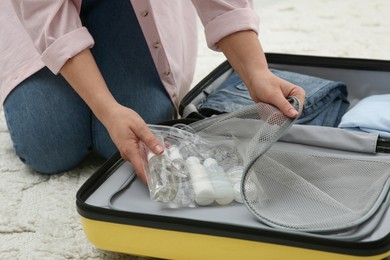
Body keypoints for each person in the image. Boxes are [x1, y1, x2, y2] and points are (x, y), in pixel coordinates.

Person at [2, 0, 305, 181]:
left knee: (127, 143)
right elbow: (44, 11)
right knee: (51, 148)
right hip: (36, 12)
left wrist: (255, 72)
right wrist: (107, 109)